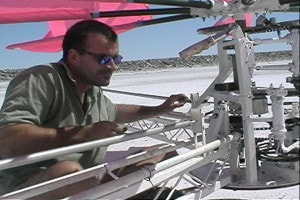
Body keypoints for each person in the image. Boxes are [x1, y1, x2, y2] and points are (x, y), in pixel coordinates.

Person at [0, 19, 189, 198]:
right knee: (68, 172)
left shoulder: (91, 91)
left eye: (116, 58)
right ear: (74, 56)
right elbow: (8, 137)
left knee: (163, 151)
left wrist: (160, 108)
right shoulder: (42, 79)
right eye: (104, 59)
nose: (113, 66)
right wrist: (82, 134)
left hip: (88, 181)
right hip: (30, 188)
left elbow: (115, 111)